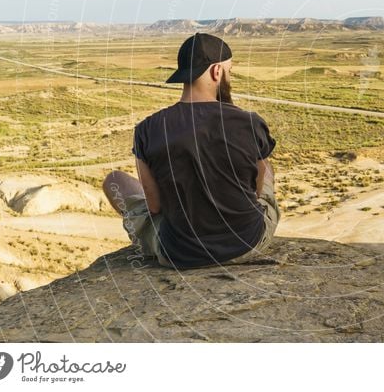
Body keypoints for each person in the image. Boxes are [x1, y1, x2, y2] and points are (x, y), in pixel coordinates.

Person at [102, 32, 279, 269]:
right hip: (247, 242)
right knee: (265, 166)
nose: (229, 77)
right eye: (230, 71)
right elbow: (257, 193)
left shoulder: (147, 129)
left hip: (178, 252)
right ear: (217, 72)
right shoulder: (250, 122)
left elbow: (154, 207)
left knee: (114, 179)